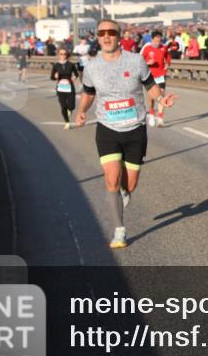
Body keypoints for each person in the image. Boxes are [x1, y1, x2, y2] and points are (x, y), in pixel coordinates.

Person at [76, 19, 177, 249]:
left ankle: (124, 192)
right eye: (102, 33)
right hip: (107, 129)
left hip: (135, 129)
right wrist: (81, 111)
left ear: (119, 36)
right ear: (98, 37)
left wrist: (162, 98)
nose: (106, 36)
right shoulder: (91, 66)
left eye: (111, 32)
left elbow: (150, 85)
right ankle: (119, 230)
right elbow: (89, 93)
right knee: (111, 179)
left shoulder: (135, 60)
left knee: (129, 184)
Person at [141, 30, 171, 127]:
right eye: (156, 40)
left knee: (161, 95)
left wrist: (167, 64)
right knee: (152, 97)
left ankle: (160, 118)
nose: (158, 42)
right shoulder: (146, 48)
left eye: (159, 39)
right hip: (149, 75)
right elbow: (139, 60)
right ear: (152, 39)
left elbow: (168, 57)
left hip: (161, 75)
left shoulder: (164, 47)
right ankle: (151, 113)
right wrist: (147, 63)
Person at [51, 48, 80, 130]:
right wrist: (55, 76)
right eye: (61, 54)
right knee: (63, 107)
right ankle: (67, 122)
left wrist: (74, 78)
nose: (63, 55)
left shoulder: (71, 65)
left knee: (72, 106)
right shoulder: (56, 65)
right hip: (60, 89)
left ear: (67, 55)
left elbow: (76, 74)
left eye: (64, 54)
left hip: (70, 87)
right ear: (58, 55)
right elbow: (52, 77)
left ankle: (70, 110)